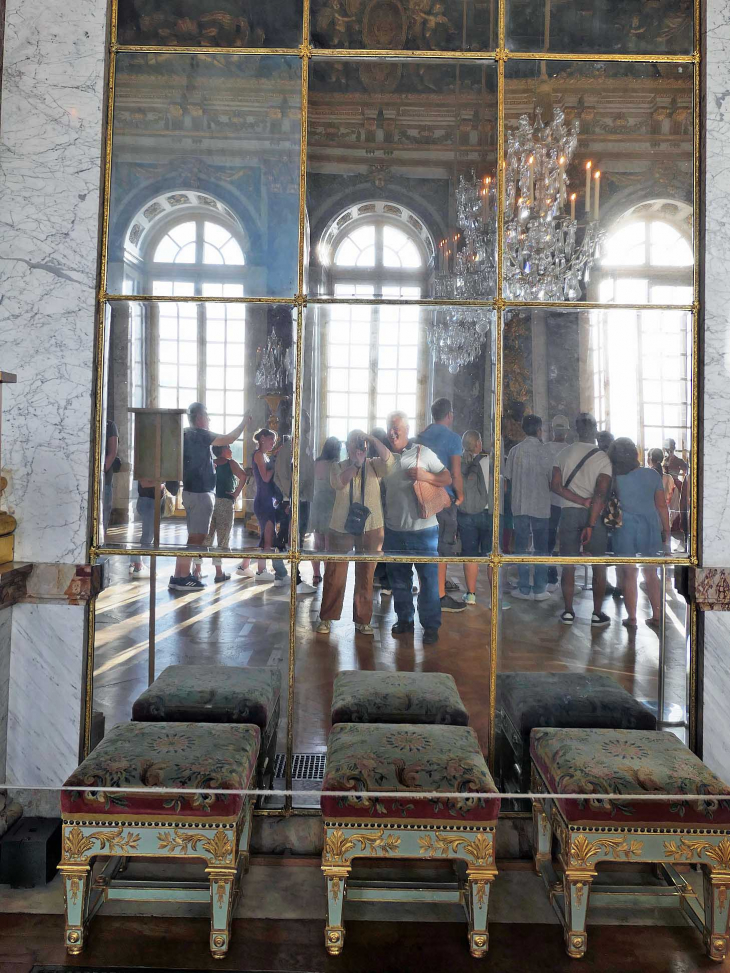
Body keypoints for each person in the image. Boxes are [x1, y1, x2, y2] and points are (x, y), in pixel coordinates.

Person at [381, 411, 451, 645]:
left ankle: (431, 627)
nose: (392, 432)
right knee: (399, 581)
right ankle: (405, 621)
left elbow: (447, 478)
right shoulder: (385, 457)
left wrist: (425, 475)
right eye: (390, 428)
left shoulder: (423, 453)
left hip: (424, 531)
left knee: (429, 582)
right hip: (394, 531)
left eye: (396, 428)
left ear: (407, 430)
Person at [316, 431, 395, 636]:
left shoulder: (374, 465)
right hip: (341, 526)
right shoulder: (339, 465)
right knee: (335, 573)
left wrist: (373, 439)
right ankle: (326, 618)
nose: (358, 447)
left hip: (372, 525)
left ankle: (362, 620)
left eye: (361, 443)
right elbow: (339, 483)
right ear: (347, 447)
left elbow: (390, 462)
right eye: (354, 443)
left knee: (367, 574)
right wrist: (356, 464)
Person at [168, 403, 251, 591]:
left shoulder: (186, 434)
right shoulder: (200, 433)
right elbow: (229, 438)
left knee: (194, 537)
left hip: (191, 491)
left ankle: (180, 575)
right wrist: (244, 421)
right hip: (199, 493)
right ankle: (181, 577)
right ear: (199, 417)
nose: (209, 420)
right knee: (197, 538)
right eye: (207, 416)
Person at [550, 413, 612, 626]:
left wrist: (579, 500)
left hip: (568, 513)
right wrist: (591, 523)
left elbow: (555, 487)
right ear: (594, 431)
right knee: (598, 566)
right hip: (593, 516)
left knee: (568, 565)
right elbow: (601, 494)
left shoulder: (564, 454)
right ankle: (597, 614)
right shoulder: (602, 458)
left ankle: (568, 612)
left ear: (576, 431)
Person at [607, 437, 671, 629]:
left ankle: (632, 617)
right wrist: (666, 530)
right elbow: (661, 506)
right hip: (649, 527)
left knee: (629, 574)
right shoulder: (652, 475)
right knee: (651, 573)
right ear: (636, 454)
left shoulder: (614, 478)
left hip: (625, 528)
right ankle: (657, 614)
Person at [417, 397, 465, 614]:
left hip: (421, 497)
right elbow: (455, 472)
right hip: (444, 498)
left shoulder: (422, 435)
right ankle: (439, 595)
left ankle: (427, 590)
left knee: (426, 545)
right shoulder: (453, 438)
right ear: (449, 415)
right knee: (443, 546)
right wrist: (460, 495)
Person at [503, 414, 553, 601]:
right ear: (539, 430)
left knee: (521, 547)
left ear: (524, 430)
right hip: (540, 505)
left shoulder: (515, 451)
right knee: (541, 547)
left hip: (520, 504)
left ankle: (524, 588)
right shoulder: (546, 451)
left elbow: (507, 480)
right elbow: (552, 479)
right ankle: (540, 588)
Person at [458, 430, 507, 609]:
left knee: (470, 555)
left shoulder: (460, 463)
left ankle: (470, 595)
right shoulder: (490, 462)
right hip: (490, 514)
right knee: (492, 556)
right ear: (478, 443)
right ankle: (495, 599)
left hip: (467, 514)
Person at [204, 445, 247, 583]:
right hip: (225, 503)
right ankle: (218, 572)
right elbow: (243, 476)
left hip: (209, 501)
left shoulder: (210, 462)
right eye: (228, 447)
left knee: (205, 536)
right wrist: (236, 493)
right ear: (222, 450)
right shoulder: (231, 463)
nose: (231, 450)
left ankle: (197, 569)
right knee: (223, 538)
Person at [251, 427, 289, 585]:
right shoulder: (259, 455)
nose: (273, 443)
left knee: (267, 537)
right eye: (271, 440)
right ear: (262, 439)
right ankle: (261, 571)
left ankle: (261, 569)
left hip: (267, 500)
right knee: (268, 539)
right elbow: (266, 478)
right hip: (263, 501)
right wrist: (275, 464)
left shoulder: (264, 456)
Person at [543, 414, 571, 591]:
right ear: (566, 432)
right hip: (568, 501)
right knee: (568, 540)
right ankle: (566, 579)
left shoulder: (545, 449)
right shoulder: (571, 450)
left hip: (549, 501)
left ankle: (550, 574)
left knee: (550, 539)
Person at [310, 436, 340, 584]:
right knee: (329, 544)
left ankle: (316, 574)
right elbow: (337, 486)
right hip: (330, 504)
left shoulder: (316, 463)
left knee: (317, 543)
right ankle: (328, 574)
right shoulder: (334, 465)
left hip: (316, 502)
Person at [103, 418, 119, 539]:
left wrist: (100, 473)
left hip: (104, 478)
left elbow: (112, 453)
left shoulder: (109, 425)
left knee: (103, 512)